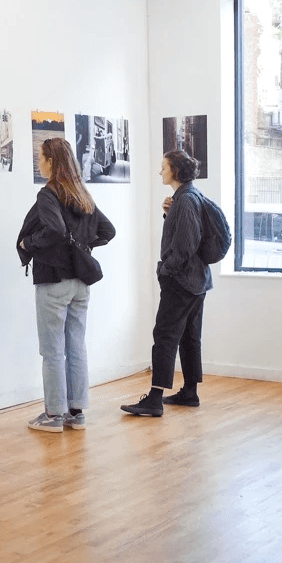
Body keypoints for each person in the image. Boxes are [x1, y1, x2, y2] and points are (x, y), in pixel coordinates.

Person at [17, 138, 115, 433]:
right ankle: (76, 412)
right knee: (76, 347)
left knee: (52, 350)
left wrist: (28, 242)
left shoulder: (49, 193)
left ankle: (53, 415)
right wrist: (84, 248)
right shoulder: (81, 193)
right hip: (81, 284)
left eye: (41, 157)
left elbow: (55, 230)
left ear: (51, 161)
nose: (38, 161)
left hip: (54, 279)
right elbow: (108, 231)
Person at [121, 150, 212, 417]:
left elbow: (184, 245)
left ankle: (155, 398)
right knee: (189, 336)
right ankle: (190, 392)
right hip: (197, 280)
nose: (160, 172)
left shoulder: (185, 200)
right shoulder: (188, 197)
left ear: (175, 170)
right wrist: (168, 215)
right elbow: (186, 234)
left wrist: (166, 270)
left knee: (165, 336)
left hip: (182, 281)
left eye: (163, 167)